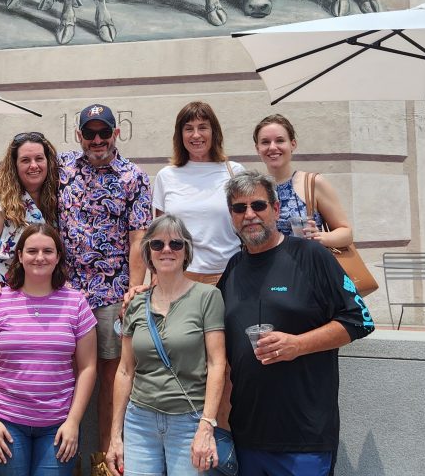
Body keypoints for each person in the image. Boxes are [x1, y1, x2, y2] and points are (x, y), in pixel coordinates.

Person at [0, 104, 152, 476]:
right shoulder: (63, 166)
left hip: (108, 293)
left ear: (117, 133)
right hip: (59, 290)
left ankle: (102, 460)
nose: (97, 140)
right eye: (90, 133)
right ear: (79, 135)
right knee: (58, 371)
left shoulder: (136, 178)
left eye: (104, 132)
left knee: (104, 376)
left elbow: (139, 239)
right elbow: (19, 176)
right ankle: (65, 457)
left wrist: (134, 290)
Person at [218, 171, 374, 476]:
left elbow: (360, 320)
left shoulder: (311, 256)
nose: (249, 215)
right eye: (239, 208)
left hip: (304, 437)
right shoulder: (234, 267)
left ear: (276, 210)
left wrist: (297, 344)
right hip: (247, 435)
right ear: (232, 216)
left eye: (258, 206)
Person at [0, 223, 98, 476]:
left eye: (48, 251)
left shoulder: (76, 303)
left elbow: (87, 367)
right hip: (6, 424)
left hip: (58, 428)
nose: (40, 257)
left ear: (58, 256)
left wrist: (73, 422)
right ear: (19, 256)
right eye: (32, 251)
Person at [106, 214, 227, 476]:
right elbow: (125, 371)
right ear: (149, 253)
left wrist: (207, 425)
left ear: (187, 251)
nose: (167, 250)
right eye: (158, 245)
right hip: (140, 421)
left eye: (176, 244)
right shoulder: (136, 303)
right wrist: (116, 435)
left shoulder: (208, 297)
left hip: (188, 422)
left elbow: (217, 364)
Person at [0, 132, 60, 320]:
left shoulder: (57, 197)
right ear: (14, 165)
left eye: (39, 158)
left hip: (38, 300)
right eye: (25, 160)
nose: (34, 165)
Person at [152, 101, 243, 284]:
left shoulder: (235, 172)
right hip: (180, 277)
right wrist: (156, 276)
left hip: (231, 276)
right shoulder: (166, 176)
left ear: (214, 132)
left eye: (203, 127)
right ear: (180, 135)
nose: (196, 135)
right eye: (188, 129)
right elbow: (160, 235)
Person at [252, 114, 353, 248]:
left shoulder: (312, 183)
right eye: (265, 142)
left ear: (293, 144)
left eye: (280, 140)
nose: (272, 147)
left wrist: (320, 237)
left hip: (308, 267)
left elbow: (346, 233)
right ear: (257, 148)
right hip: (267, 267)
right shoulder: (255, 189)